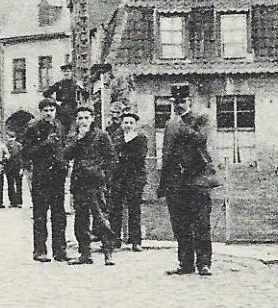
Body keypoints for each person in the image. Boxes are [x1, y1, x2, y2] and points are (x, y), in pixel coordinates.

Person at [156, 85, 219, 277]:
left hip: (197, 179)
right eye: (176, 102)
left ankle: (204, 263)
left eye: (183, 102)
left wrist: (181, 125)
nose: (179, 106)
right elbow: (166, 154)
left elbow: (201, 139)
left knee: (200, 223)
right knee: (180, 225)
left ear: (190, 102)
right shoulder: (171, 124)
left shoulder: (201, 119)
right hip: (176, 182)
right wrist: (163, 183)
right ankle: (185, 263)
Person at [65, 104, 117, 266]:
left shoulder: (101, 136)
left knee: (100, 218)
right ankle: (85, 253)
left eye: (86, 117)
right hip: (79, 183)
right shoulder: (73, 137)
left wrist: (104, 177)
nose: (83, 121)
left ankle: (108, 252)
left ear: (92, 119)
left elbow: (112, 159)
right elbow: (66, 155)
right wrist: (78, 140)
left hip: (96, 184)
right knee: (80, 220)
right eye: (80, 118)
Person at [22, 98, 69, 262]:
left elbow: (63, 148)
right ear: (41, 112)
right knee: (40, 215)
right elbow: (27, 152)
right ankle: (40, 251)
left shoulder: (60, 126)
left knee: (59, 215)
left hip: (57, 176)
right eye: (46, 111)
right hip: (41, 176)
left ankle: (60, 251)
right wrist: (46, 143)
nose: (49, 113)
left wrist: (64, 164)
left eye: (52, 110)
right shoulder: (33, 128)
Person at [112, 111, 149, 251]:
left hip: (135, 178)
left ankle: (135, 241)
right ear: (122, 124)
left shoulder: (141, 138)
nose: (128, 125)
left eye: (130, 123)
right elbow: (112, 154)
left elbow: (139, 156)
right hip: (118, 178)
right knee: (115, 209)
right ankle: (115, 240)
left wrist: (122, 156)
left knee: (134, 209)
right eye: (125, 123)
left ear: (135, 125)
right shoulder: (116, 138)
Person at [2, 127, 25, 208]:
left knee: (19, 185)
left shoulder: (19, 146)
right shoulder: (5, 146)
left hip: (17, 167)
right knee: (10, 184)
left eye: (8, 137)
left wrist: (22, 168)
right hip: (8, 167)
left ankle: (19, 202)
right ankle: (12, 202)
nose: (8, 139)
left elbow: (21, 157)